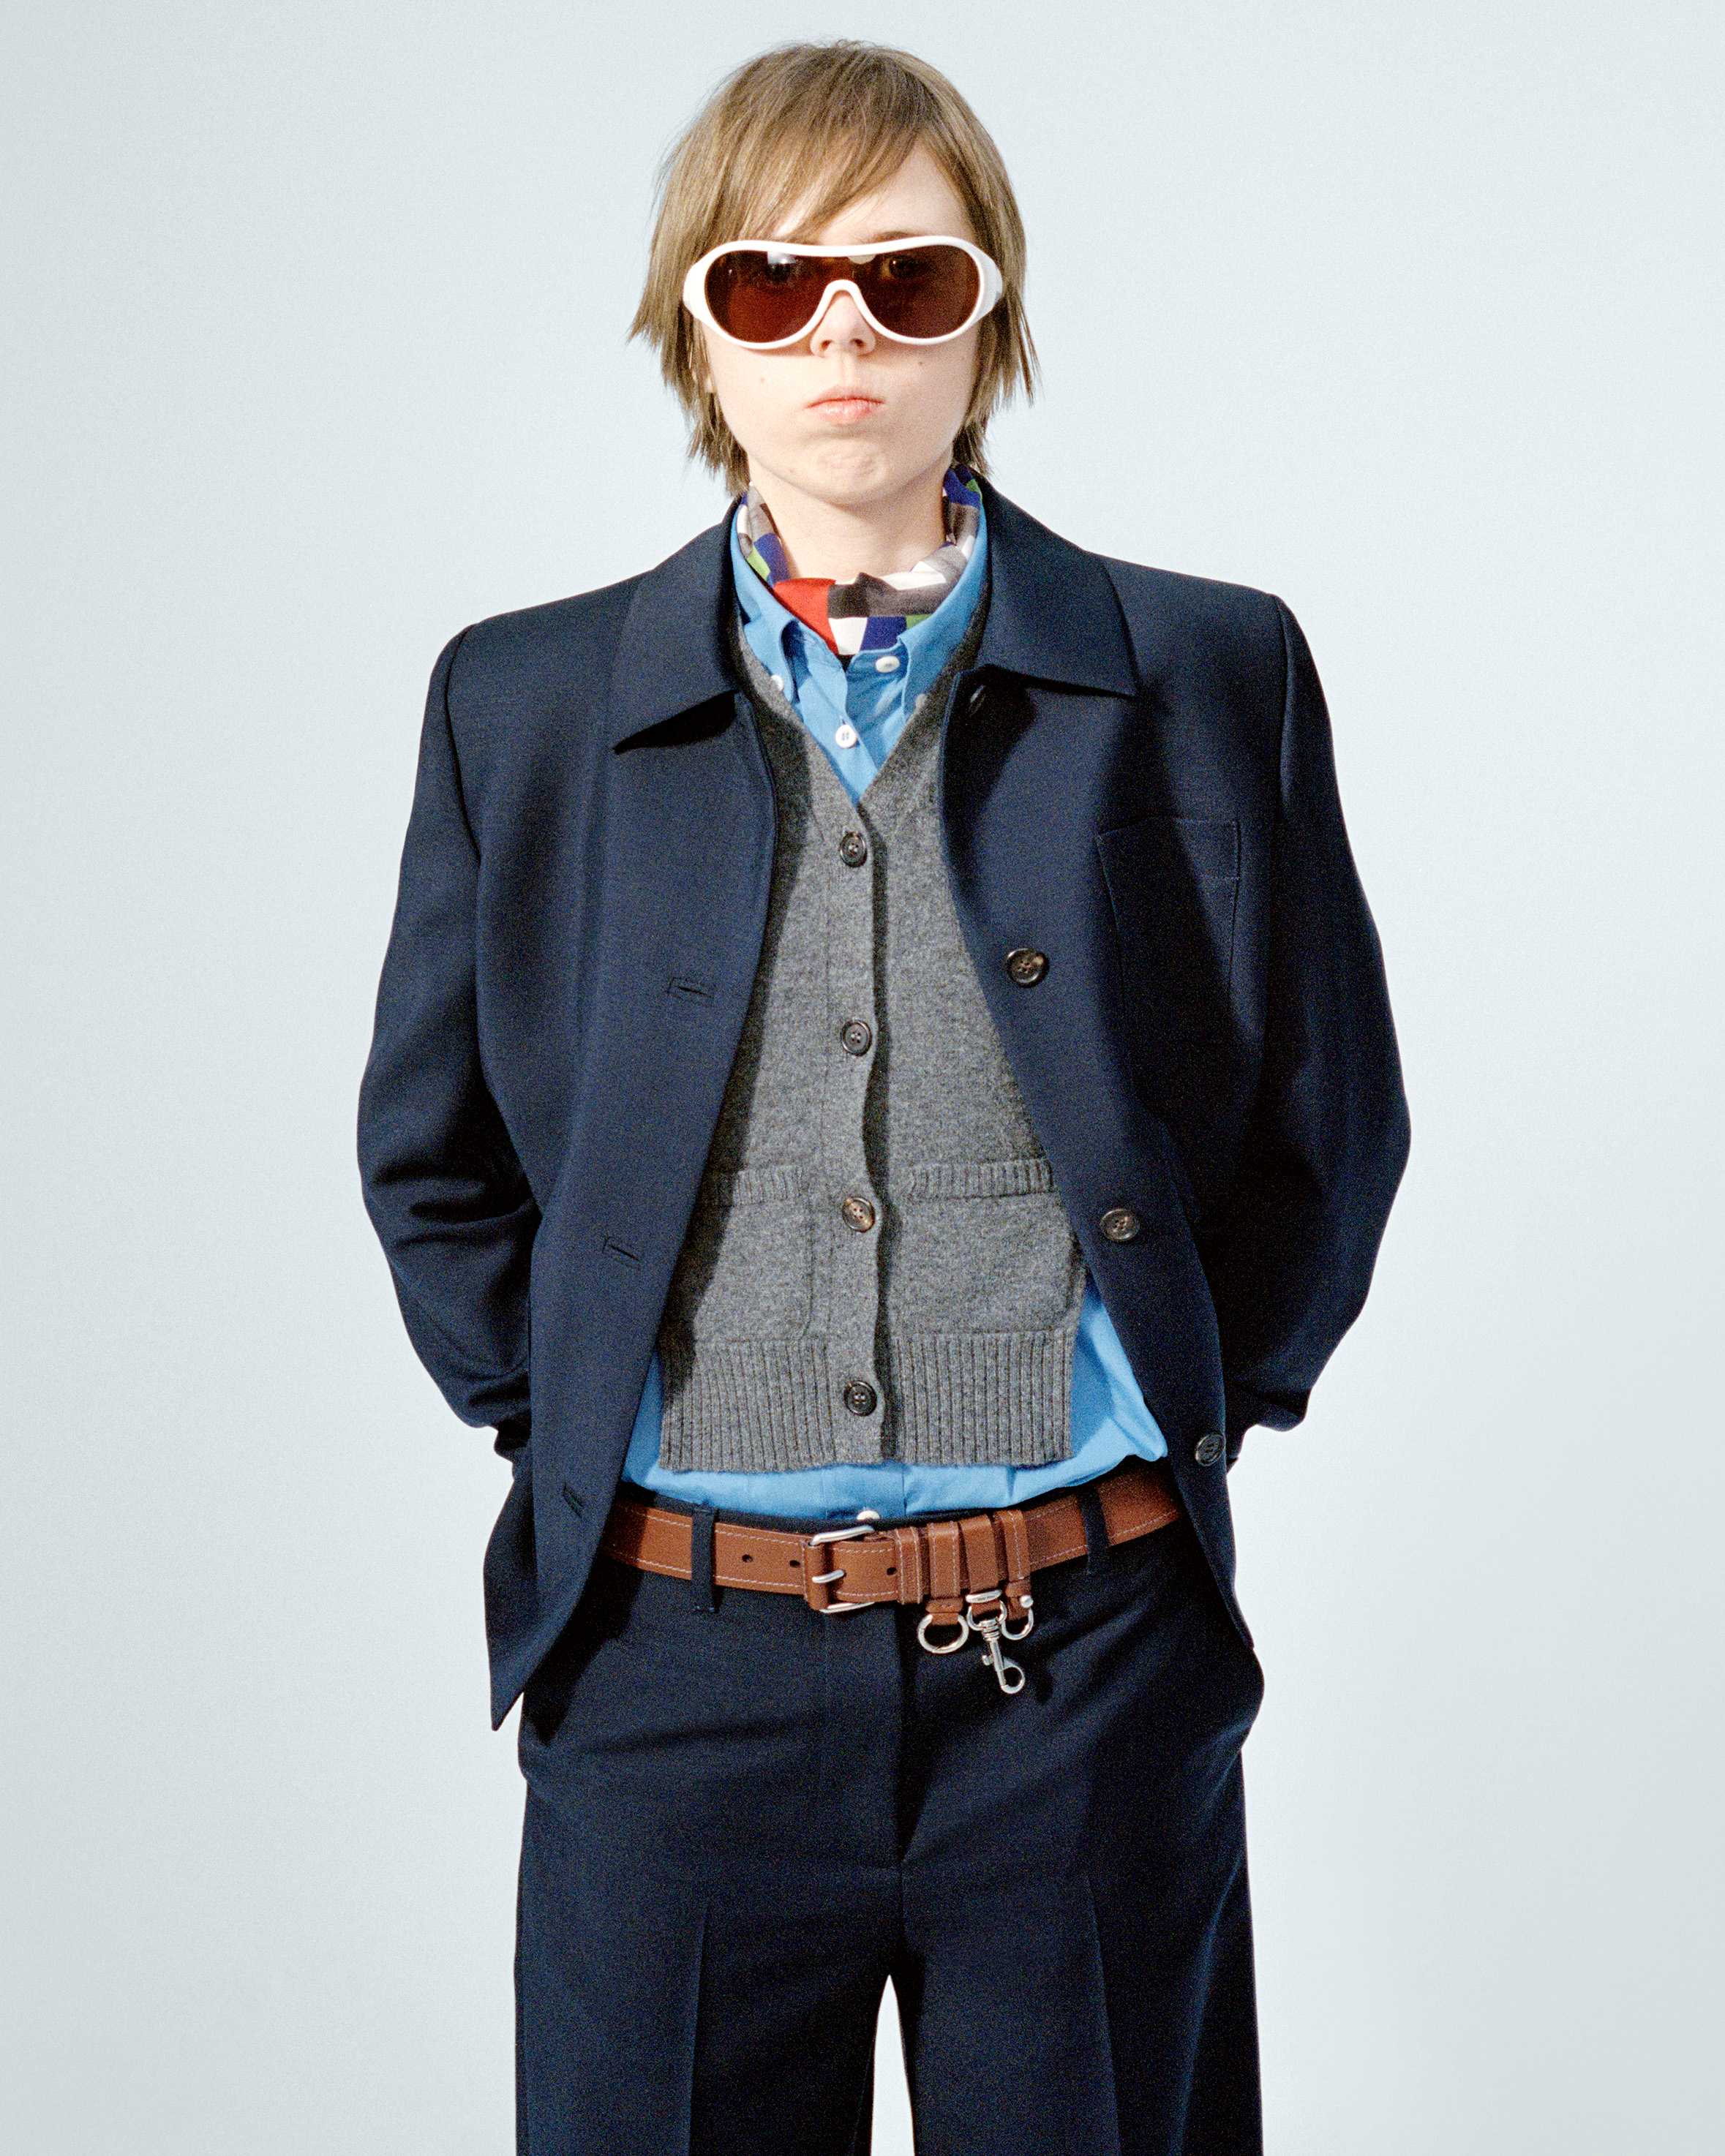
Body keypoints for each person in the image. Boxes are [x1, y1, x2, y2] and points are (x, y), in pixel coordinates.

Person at [356, 37, 1410, 2155]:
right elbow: (435, 1153)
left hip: (1084, 1674)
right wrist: (571, 1419)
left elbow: (1326, 1119)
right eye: (772, 281)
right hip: (671, 1680)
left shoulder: (1207, 672)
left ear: (987, 319)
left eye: (908, 280)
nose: (842, 331)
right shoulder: (525, 703)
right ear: (699, 334)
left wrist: (1189, 1408)